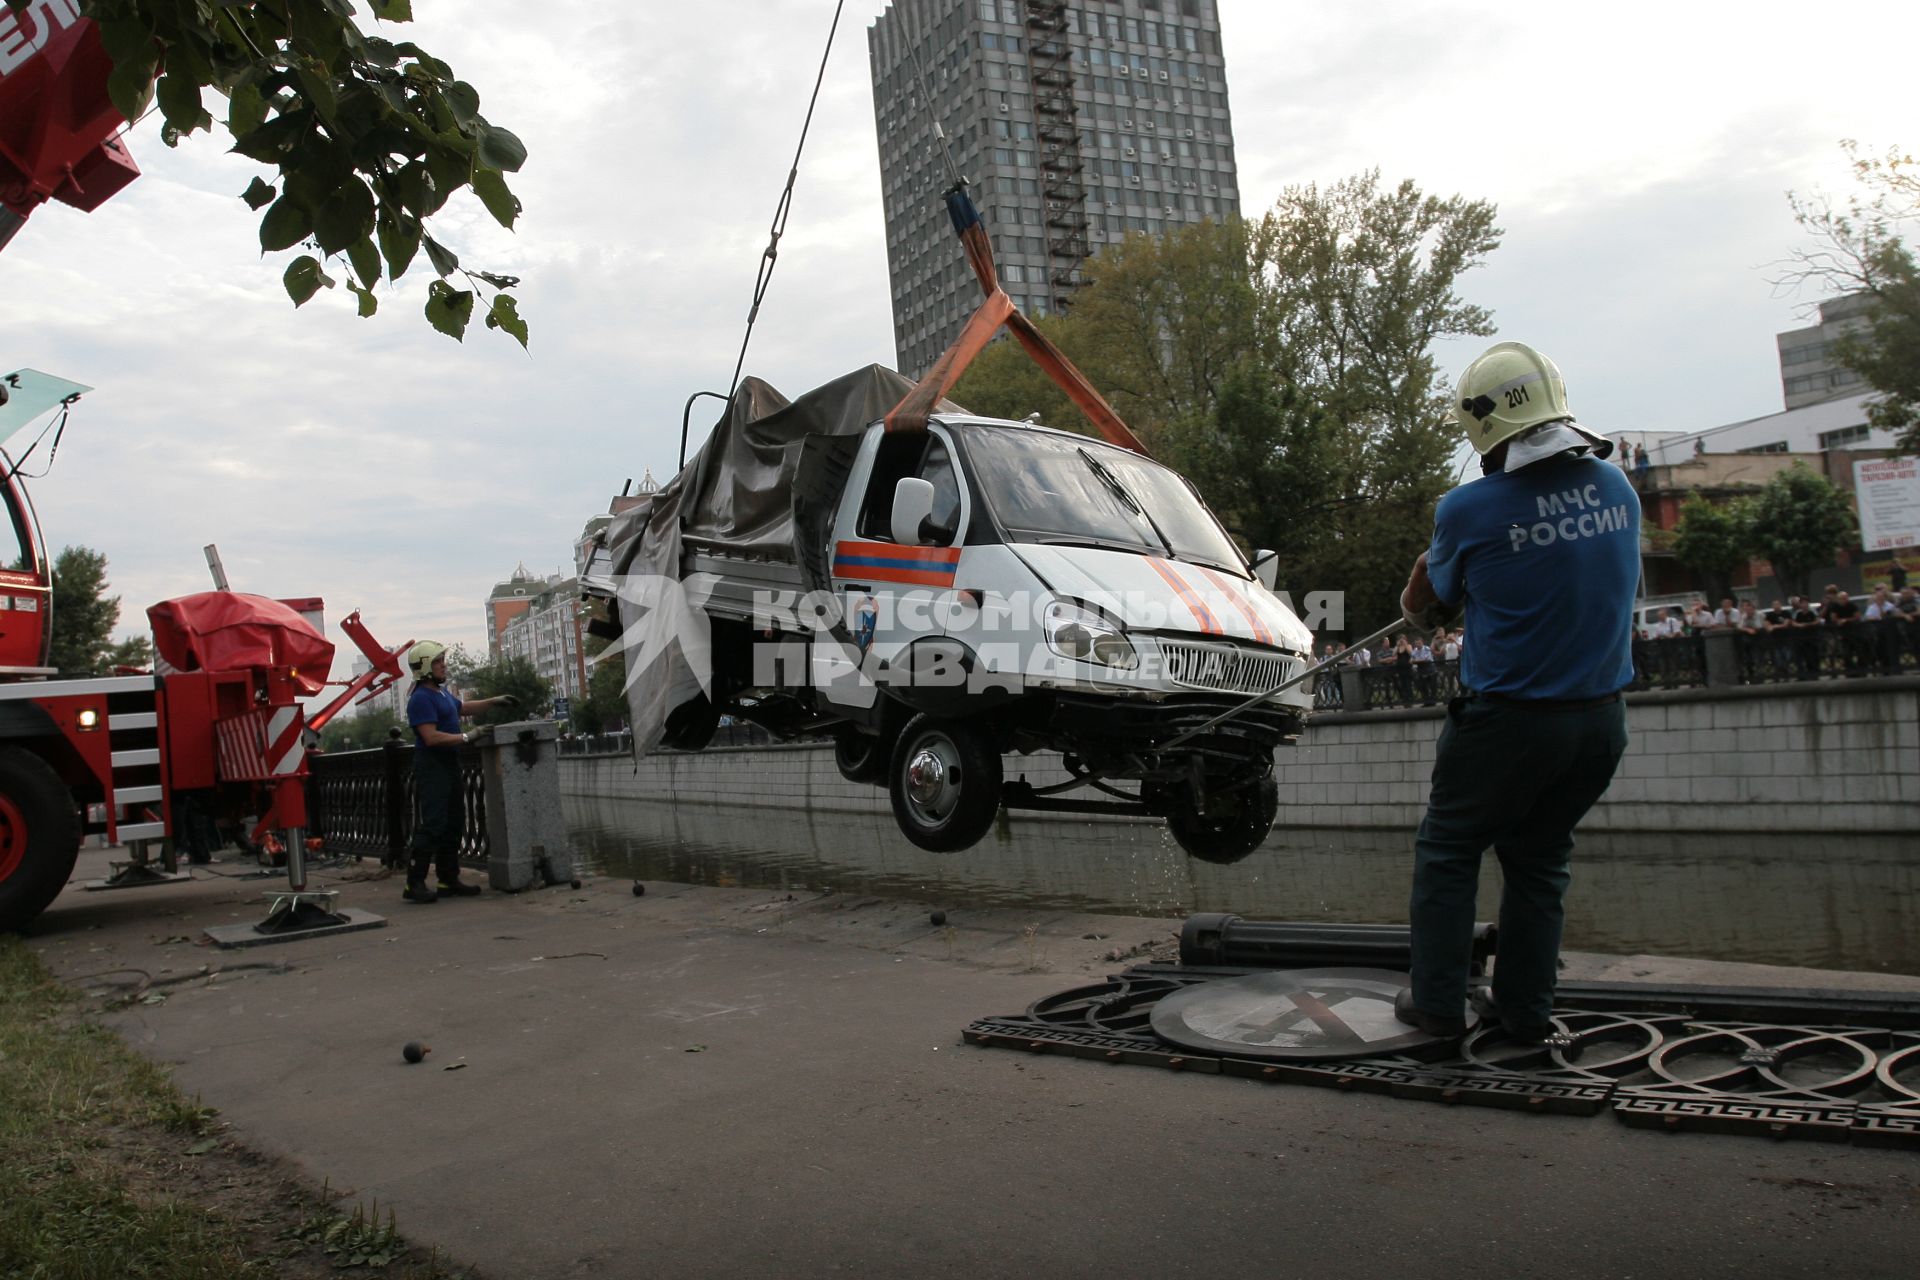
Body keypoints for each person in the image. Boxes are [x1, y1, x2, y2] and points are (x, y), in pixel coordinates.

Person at [1395, 341, 1638, 1043]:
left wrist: (1426, 567)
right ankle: (1527, 1011)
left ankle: (1438, 1006)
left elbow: (1427, 607)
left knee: (1448, 847)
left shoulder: (1469, 509)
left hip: (1507, 724)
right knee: (1539, 857)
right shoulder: (1617, 488)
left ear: (1484, 429)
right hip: (1600, 725)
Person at [402, 641, 519, 904]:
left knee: (454, 822)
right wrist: (468, 735)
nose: (444, 665)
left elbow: (462, 708)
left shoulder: (441, 694)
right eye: (437, 661)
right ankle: (414, 883)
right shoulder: (421, 698)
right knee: (433, 824)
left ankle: (448, 879)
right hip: (432, 764)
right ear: (423, 667)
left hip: (449, 763)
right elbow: (430, 737)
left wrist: (493, 702)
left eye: (443, 660)